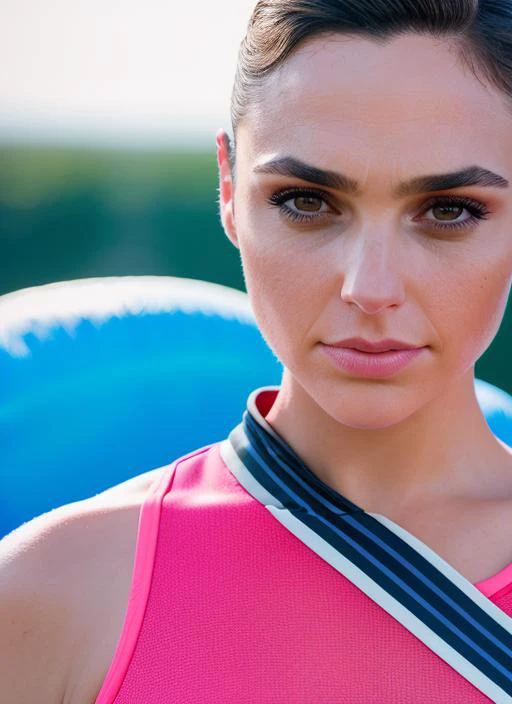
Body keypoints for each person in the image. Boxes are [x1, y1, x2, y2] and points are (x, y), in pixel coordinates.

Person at [2, 1, 512, 702]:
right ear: (228, 189)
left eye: (449, 209)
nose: (370, 287)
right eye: (307, 201)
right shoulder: (51, 596)